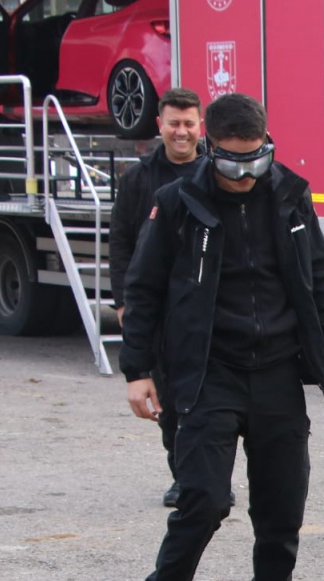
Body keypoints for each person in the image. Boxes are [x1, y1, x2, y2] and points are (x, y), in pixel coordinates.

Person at [120, 93, 324, 581]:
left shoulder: (292, 194)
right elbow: (143, 289)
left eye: (256, 160)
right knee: (203, 500)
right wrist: (137, 370)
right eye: (231, 163)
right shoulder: (176, 204)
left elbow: (319, 282)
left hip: (277, 373)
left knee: (282, 509)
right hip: (206, 374)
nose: (245, 174)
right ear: (209, 148)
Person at [109, 87, 206, 507]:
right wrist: (122, 302)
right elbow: (121, 243)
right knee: (165, 395)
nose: (181, 132)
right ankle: (183, 475)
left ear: (200, 126)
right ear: (159, 126)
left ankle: (207, 474)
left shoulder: (216, 171)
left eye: (188, 123)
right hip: (159, 306)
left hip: (205, 304)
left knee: (205, 396)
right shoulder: (138, 180)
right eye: (173, 123)